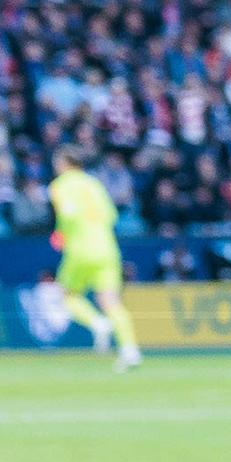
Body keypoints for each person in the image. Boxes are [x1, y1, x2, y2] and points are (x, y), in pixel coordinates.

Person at [48, 149, 140, 372]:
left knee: (67, 295)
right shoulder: (95, 184)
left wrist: (60, 234)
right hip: (107, 248)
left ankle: (97, 323)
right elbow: (112, 216)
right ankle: (130, 350)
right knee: (111, 301)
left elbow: (67, 215)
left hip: (80, 248)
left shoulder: (60, 185)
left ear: (63, 163)